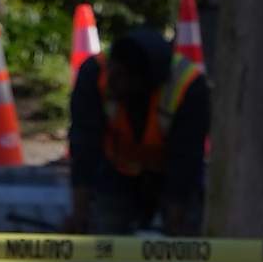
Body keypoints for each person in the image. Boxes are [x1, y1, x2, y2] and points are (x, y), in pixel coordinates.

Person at [68, 19, 208, 232]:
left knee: (183, 233)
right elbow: (84, 145)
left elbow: (186, 159)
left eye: (121, 76)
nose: (111, 81)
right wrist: (80, 213)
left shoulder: (188, 87)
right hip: (116, 169)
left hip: (170, 171)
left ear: (144, 82)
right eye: (113, 70)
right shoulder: (95, 74)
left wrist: (175, 220)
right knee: (108, 233)